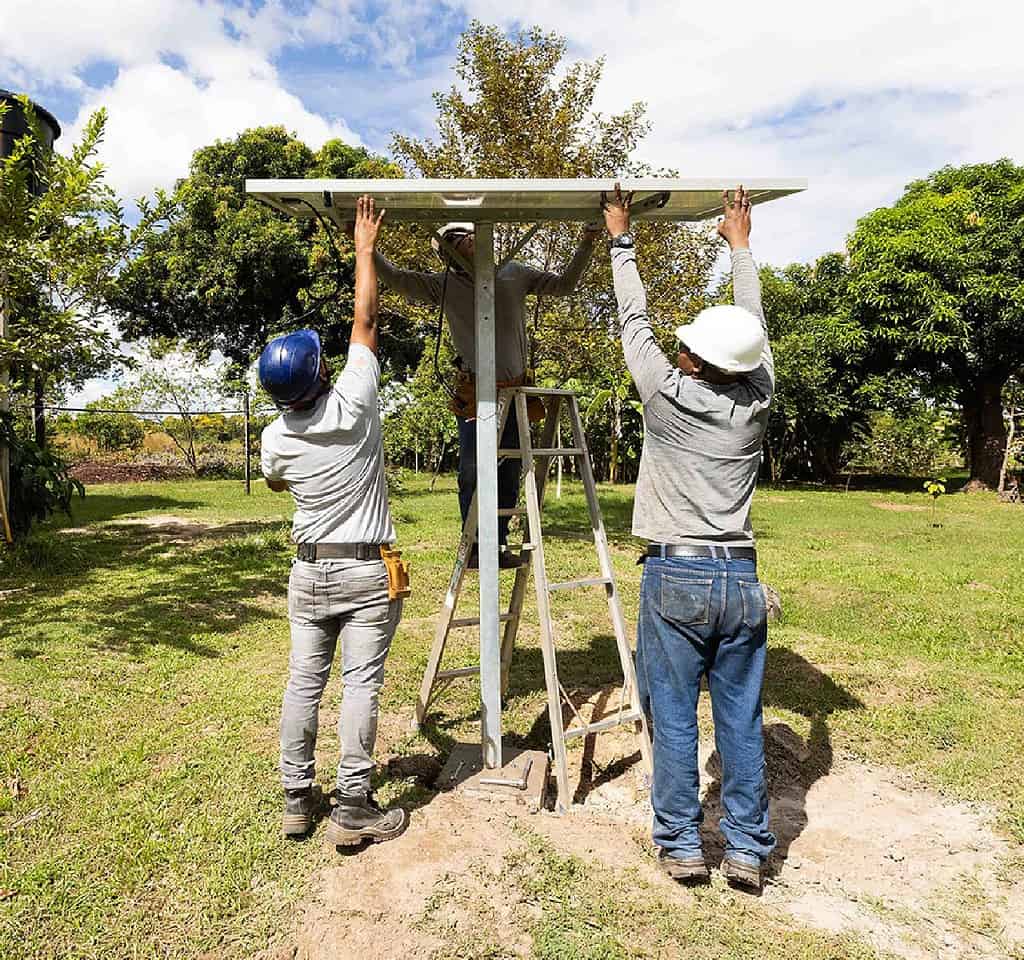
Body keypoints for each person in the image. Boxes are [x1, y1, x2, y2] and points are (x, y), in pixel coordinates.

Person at [602, 184, 777, 891]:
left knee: (672, 715)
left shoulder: (665, 396)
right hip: (740, 579)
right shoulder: (757, 401)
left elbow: (631, 318)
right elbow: (752, 326)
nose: (673, 349)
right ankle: (745, 850)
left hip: (675, 576)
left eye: (685, 347)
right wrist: (740, 246)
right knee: (740, 720)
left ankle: (680, 845)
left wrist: (620, 238)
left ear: (695, 363)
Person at [259, 195, 407, 848]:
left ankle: (297, 800)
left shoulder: (274, 438)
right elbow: (366, 317)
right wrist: (365, 246)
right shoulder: (354, 404)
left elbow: (275, 480)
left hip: (307, 570)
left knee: (303, 683)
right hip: (363, 570)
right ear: (322, 373)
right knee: (359, 687)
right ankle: (352, 808)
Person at [372, 221, 600, 566]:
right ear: (446, 254)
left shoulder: (514, 273)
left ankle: (499, 543)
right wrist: (365, 246)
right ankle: (477, 546)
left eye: (467, 236)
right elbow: (396, 278)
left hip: (513, 391)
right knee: (471, 470)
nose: (464, 243)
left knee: (509, 469)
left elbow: (565, 285)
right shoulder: (445, 285)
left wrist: (586, 240)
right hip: (475, 392)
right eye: (454, 241)